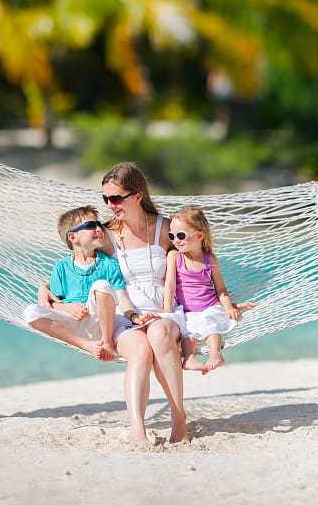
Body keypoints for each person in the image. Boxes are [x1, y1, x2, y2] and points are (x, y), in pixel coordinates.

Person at [99, 162, 190, 445]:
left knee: (159, 334)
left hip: (164, 311)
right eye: (106, 199)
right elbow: (76, 266)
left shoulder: (166, 229)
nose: (110, 205)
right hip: (125, 314)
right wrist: (47, 290)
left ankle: (179, 420)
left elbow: (196, 261)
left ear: (138, 195)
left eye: (116, 198)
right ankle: (137, 430)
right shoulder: (106, 235)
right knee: (139, 350)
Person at [25, 206, 140, 362]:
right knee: (30, 312)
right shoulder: (61, 267)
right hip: (72, 323)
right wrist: (68, 307)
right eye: (91, 226)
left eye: (99, 224)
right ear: (73, 237)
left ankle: (107, 343)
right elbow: (53, 303)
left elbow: (121, 296)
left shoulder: (109, 264)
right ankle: (87, 345)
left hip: (100, 322)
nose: (99, 229)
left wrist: (133, 316)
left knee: (101, 285)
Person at [163, 206, 253, 374]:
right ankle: (189, 358)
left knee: (210, 325)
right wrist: (167, 311)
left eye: (181, 235)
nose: (176, 240)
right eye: (172, 235)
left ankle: (215, 355)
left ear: (199, 235)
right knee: (187, 333)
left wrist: (228, 307)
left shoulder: (209, 259)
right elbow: (169, 285)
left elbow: (221, 288)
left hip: (210, 306)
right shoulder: (174, 257)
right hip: (187, 310)